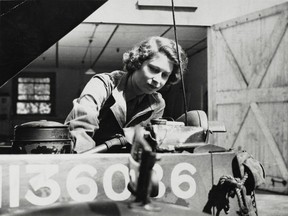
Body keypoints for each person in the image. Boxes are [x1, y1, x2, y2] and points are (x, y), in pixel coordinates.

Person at [64, 36, 188, 153]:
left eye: (164, 75)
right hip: (84, 157)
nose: (157, 80)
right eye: (153, 69)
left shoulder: (157, 104)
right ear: (137, 63)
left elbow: (147, 143)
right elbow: (82, 127)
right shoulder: (103, 84)